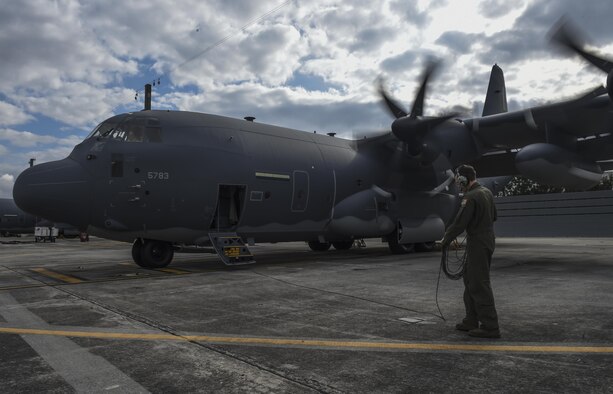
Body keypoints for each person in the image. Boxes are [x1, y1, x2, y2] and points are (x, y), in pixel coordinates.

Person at [441, 165, 500, 338]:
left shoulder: (471, 196)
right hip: (487, 238)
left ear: (464, 179)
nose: (458, 184)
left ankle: (490, 326)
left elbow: (460, 224)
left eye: (459, 180)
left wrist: (445, 240)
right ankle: (471, 320)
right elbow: (494, 216)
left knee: (479, 283)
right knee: (469, 279)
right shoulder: (487, 192)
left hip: (478, 241)